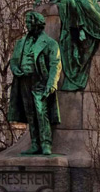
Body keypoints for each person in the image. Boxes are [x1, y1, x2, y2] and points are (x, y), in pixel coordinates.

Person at [8, 10, 63, 156]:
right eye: (26, 22)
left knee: (41, 111)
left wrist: (51, 83)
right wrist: (15, 69)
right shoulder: (21, 42)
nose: (27, 25)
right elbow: (13, 60)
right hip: (24, 81)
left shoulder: (50, 43)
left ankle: (45, 143)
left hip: (40, 81)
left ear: (37, 24)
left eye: (29, 22)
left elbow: (55, 64)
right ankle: (34, 143)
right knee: (30, 113)